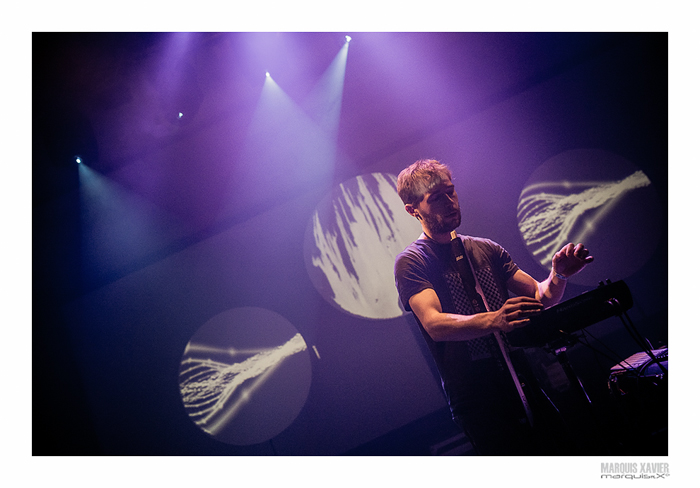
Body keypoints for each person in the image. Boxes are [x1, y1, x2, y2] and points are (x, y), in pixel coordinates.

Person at [394, 159, 594, 455]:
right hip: (477, 398)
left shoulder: (486, 248)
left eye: (451, 192)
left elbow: (540, 299)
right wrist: (493, 320)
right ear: (413, 210)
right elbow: (434, 324)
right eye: (436, 198)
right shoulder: (413, 261)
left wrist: (559, 275)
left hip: (523, 378)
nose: (450, 202)